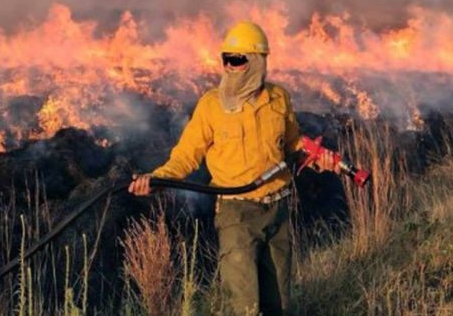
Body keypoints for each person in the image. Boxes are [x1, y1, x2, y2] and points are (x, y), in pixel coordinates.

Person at [129, 21, 338, 315]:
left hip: (277, 210)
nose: (229, 66)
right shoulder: (211, 106)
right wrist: (158, 178)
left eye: (238, 60)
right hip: (236, 214)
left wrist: (319, 160)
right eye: (226, 59)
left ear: (256, 62)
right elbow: (186, 155)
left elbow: (292, 145)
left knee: (278, 304)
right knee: (245, 306)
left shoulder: (279, 99)